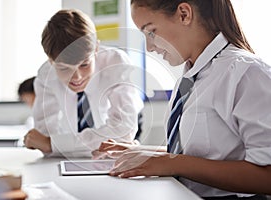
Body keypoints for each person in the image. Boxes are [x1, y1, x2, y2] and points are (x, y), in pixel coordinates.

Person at [95, 0, 271, 199]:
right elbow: (204, 153)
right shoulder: (189, 78)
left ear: (184, 14)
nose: (149, 47)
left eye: (151, 32)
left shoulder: (246, 74)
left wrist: (171, 162)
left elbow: (267, 175)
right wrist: (141, 151)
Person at [23, 9, 144, 158]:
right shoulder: (46, 75)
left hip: (130, 129)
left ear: (96, 49)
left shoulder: (116, 63)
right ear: (51, 61)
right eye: (64, 68)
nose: (77, 77)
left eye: (84, 65)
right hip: (77, 156)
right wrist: (54, 144)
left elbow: (123, 132)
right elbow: (43, 139)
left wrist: (56, 144)